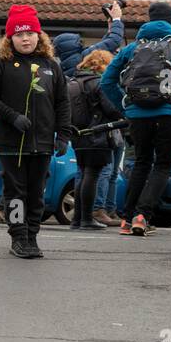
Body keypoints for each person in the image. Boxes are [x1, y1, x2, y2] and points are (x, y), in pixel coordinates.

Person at [101, 1, 171, 236]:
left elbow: (106, 81)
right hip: (169, 112)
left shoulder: (132, 48)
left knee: (142, 163)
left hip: (136, 114)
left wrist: (125, 105)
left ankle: (127, 218)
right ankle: (143, 215)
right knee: (162, 164)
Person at [0, 5, 71, 259]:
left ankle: (32, 235)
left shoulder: (51, 66)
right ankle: (18, 236)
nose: (25, 38)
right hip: (12, 143)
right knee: (16, 193)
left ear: (38, 36)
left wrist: (63, 135)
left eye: (30, 33)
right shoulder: (2, 65)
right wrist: (12, 117)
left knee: (36, 193)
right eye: (19, 34)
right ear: (10, 39)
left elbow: (62, 103)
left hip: (42, 144)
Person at [64, 50, 119, 231]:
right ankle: (87, 219)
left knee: (83, 174)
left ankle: (77, 219)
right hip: (98, 135)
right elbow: (111, 110)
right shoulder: (99, 83)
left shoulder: (73, 82)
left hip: (78, 136)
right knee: (92, 176)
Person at [52, 0, 124, 76]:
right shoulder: (83, 56)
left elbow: (106, 45)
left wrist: (110, 29)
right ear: (72, 45)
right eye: (78, 42)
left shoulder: (65, 67)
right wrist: (116, 19)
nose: (80, 43)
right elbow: (114, 40)